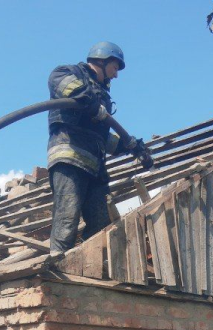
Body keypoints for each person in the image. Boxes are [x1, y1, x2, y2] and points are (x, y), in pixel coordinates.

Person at [47, 41, 151, 255]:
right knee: (67, 216)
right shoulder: (70, 72)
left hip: (95, 169)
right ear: (102, 60)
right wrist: (90, 100)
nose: (116, 75)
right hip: (70, 158)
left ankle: (89, 261)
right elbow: (60, 82)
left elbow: (103, 139)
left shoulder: (102, 97)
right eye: (114, 67)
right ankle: (56, 263)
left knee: (101, 222)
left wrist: (129, 146)